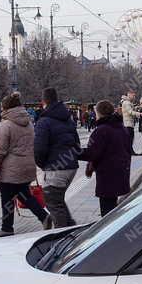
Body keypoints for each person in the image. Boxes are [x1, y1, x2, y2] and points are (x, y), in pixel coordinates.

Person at [0, 92, 50, 235]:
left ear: (5, 108)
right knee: (24, 195)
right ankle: (44, 217)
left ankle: (7, 228)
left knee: (7, 198)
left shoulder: (5, 125)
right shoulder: (29, 122)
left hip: (10, 169)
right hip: (27, 165)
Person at [33, 87, 81, 229]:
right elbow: (77, 143)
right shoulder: (68, 119)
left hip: (56, 167)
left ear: (43, 102)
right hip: (71, 166)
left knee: (52, 202)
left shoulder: (44, 121)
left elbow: (39, 149)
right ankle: (70, 226)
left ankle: (62, 234)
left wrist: (42, 164)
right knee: (57, 199)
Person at [79, 100, 131, 217]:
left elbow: (92, 153)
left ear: (99, 113)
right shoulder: (121, 128)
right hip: (121, 172)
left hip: (107, 175)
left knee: (107, 211)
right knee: (113, 208)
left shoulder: (101, 130)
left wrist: (75, 152)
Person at [121, 90, 137, 154]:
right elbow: (130, 112)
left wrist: (135, 108)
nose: (134, 97)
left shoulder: (128, 102)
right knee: (130, 139)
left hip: (129, 123)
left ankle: (130, 151)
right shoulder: (127, 103)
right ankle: (130, 151)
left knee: (130, 139)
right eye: (133, 95)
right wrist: (139, 114)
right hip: (128, 123)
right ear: (129, 95)